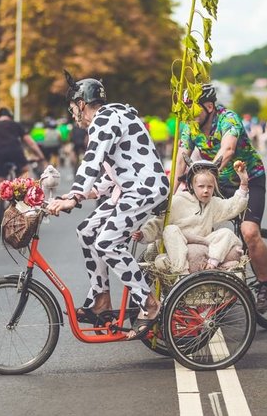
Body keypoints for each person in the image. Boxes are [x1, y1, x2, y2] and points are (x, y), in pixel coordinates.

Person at [47, 72, 169, 340]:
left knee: (107, 243)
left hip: (143, 189)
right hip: (126, 189)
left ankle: (149, 304)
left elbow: (92, 160)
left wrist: (75, 195)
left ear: (81, 103)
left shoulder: (105, 118)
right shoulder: (112, 118)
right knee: (87, 231)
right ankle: (101, 298)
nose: (72, 115)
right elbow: (107, 175)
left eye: (72, 108)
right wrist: (74, 195)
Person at [174, 83, 267, 313]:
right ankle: (214, 281)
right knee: (200, 225)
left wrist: (208, 170)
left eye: (193, 108)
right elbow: (181, 160)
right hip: (217, 182)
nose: (189, 114)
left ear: (209, 106)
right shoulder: (190, 127)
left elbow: (228, 149)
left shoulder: (228, 119)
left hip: (247, 178)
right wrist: (171, 198)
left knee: (249, 232)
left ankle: (265, 284)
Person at [132, 158, 249, 274]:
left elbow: (232, 206)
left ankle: (212, 264)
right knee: (169, 229)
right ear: (192, 186)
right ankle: (181, 271)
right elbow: (158, 223)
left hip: (204, 243)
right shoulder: (178, 201)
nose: (206, 191)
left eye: (210, 187)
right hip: (181, 244)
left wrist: (243, 182)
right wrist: (143, 234)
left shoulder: (213, 203)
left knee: (226, 232)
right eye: (201, 186)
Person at [0, 107, 45, 184]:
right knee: (25, 171)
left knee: (1, 179)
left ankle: (0, 191)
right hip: (15, 152)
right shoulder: (16, 125)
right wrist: (41, 156)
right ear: (10, 116)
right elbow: (30, 142)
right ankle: (23, 189)